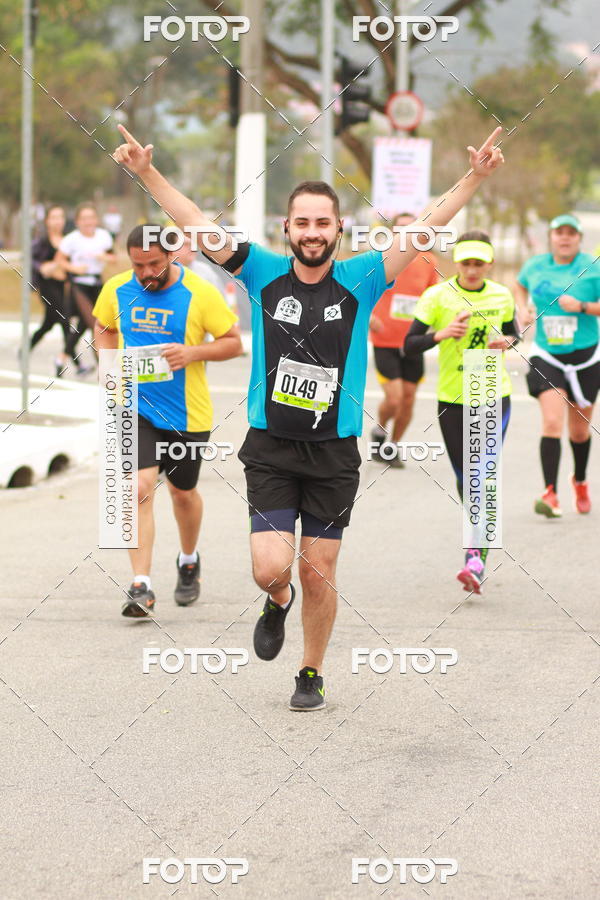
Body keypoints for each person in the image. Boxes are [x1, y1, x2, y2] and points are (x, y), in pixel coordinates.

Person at [112, 123, 504, 709]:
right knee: (271, 569)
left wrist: (474, 176)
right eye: (303, 223)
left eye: (324, 223)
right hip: (270, 444)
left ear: (338, 228)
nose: (313, 233)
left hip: (334, 451)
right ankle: (277, 601)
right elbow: (196, 222)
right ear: (287, 229)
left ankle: (311, 670)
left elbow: (424, 229)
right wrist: (147, 173)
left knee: (318, 570)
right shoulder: (261, 272)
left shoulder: (363, 276)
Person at [93, 225, 242, 618]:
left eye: (154, 264)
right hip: (132, 406)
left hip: (185, 414)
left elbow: (233, 342)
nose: (145, 272)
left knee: (182, 493)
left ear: (172, 256)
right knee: (137, 487)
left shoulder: (199, 293)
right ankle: (141, 584)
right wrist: (106, 366)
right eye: (138, 264)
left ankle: (189, 559)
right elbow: (104, 327)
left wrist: (192, 353)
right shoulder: (117, 288)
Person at [404, 232, 520, 594]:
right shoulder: (437, 296)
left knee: (482, 477)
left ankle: (474, 560)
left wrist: (508, 342)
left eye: (479, 263)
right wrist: (441, 335)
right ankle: (478, 544)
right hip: (452, 399)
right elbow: (409, 346)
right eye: (466, 262)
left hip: (491, 391)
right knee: (465, 478)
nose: (472, 269)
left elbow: (516, 332)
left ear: (489, 264)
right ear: (457, 263)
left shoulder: (502, 295)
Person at [515, 214, 600, 517]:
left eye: (571, 234)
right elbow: (519, 284)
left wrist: (583, 307)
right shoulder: (536, 265)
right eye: (559, 232)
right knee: (552, 422)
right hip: (547, 353)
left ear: (579, 238)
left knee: (579, 431)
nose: (564, 238)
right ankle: (550, 493)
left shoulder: (593, 266)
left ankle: (580, 480)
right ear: (551, 236)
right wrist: (522, 308)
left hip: (586, 357)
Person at [369, 212, 439, 467]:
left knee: (409, 398)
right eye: (401, 229)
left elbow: (436, 297)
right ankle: (379, 428)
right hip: (384, 338)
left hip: (413, 341)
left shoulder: (429, 261)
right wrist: (367, 316)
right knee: (395, 398)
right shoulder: (381, 258)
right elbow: (359, 288)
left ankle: (392, 446)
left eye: (412, 229)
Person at [56, 203, 115, 374]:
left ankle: (61, 358)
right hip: (78, 284)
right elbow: (60, 260)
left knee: (84, 324)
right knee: (94, 322)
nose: (88, 222)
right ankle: (103, 365)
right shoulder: (71, 239)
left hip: (96, 283)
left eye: (91, 218)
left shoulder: (103, 236)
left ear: (96, 220)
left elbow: (113, 257)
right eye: (84, 219)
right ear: (77, 221)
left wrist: (103, 256)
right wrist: (75, 268)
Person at [30, 205, 72, 376]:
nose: (57, 221)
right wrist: (43, 267)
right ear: (47, 221)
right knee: (64, 320)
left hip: (62, 286)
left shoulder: (68, 241)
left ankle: (26, 349)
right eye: (53, 217)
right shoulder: (42, 241)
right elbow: (32, 261)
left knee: (48, 324)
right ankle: (74, 361)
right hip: (47, 287)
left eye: (60, 217)